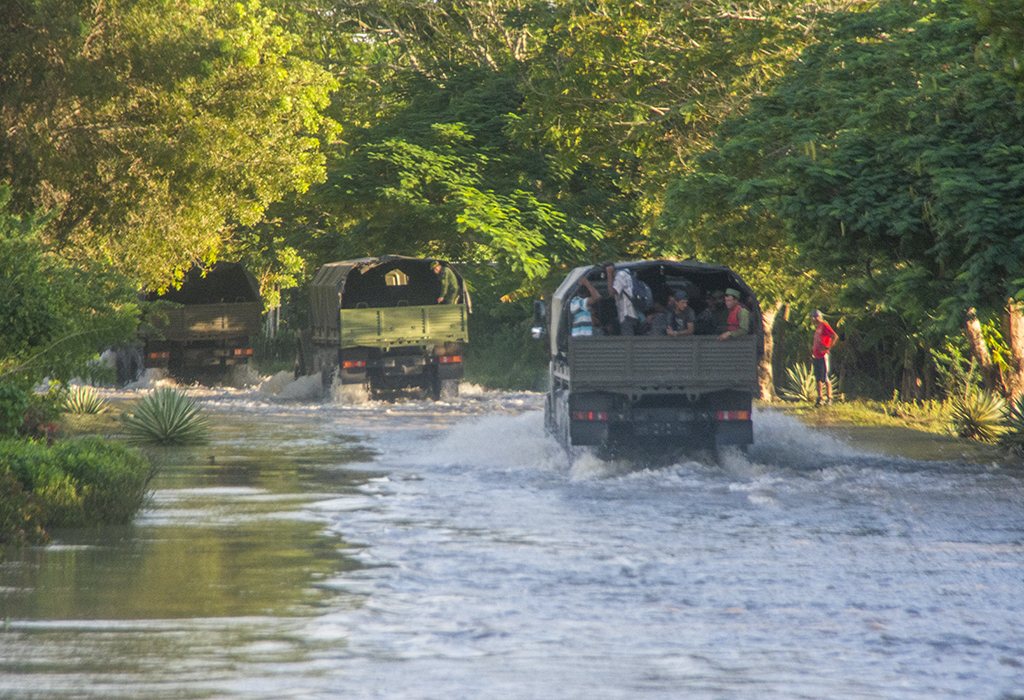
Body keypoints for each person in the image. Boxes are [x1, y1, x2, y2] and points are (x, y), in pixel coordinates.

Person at [603, 261, 642, 335]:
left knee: (627, 340)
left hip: (627, 314)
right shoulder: (624, 274)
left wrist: (609, 274)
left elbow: (612, 292)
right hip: (628, 314)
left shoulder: (621, 275)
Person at [810, 309, 838, 406]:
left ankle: (829, 398)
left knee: (826, 377)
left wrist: (828, 347)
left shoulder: (824, 325)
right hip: (817, 356)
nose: (812, 320)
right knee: (818, 377)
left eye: (812, 318)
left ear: (816, 318)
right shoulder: (818, 327)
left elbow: (834, 335)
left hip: (823, 355)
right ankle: (820, 398)